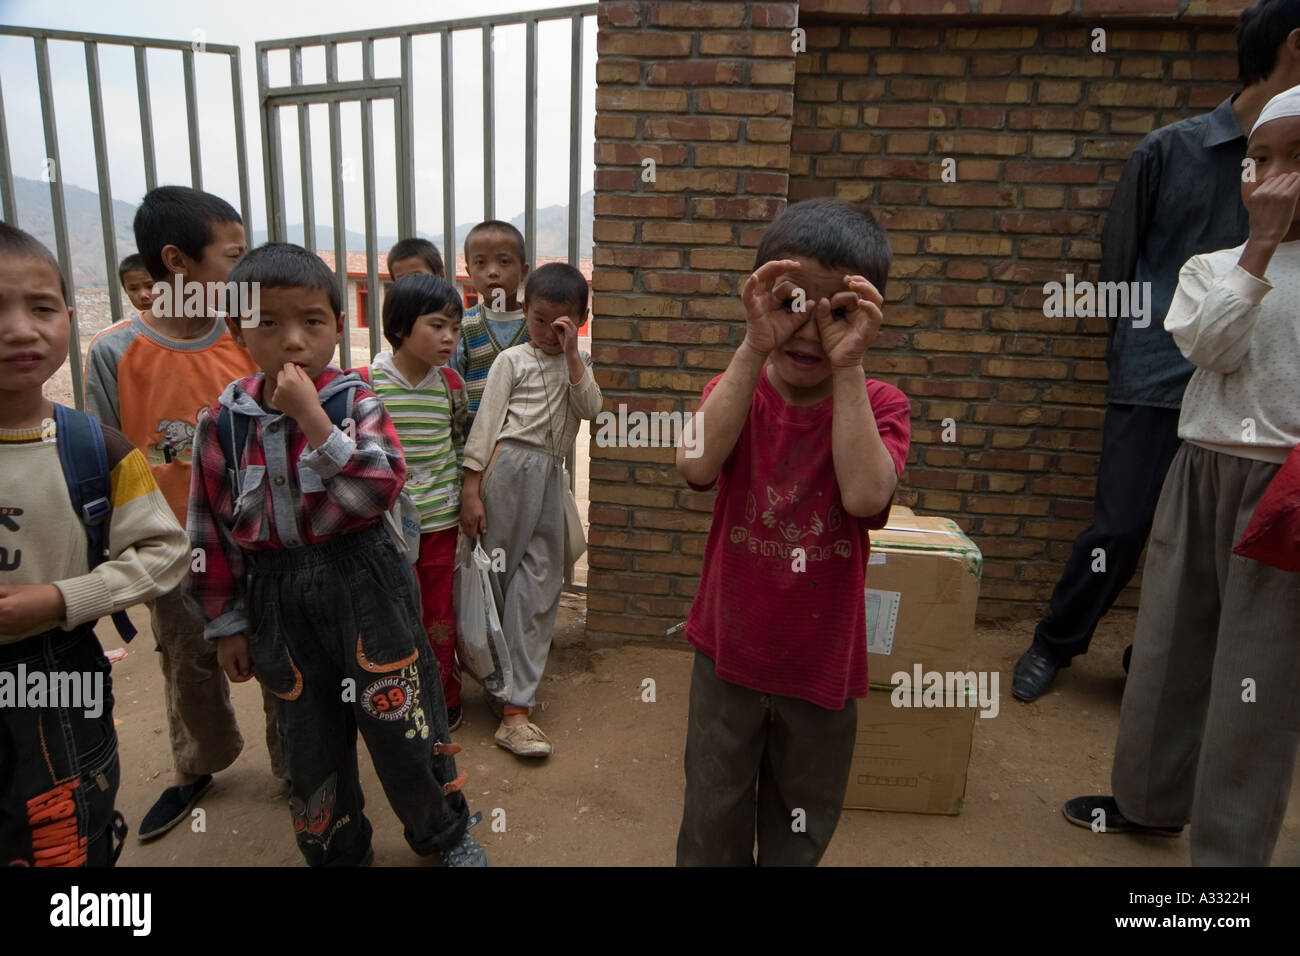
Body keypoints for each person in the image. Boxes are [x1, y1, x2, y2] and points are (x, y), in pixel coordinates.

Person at [1012, 0, 1300, 702]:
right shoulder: (1169, 152)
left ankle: (1163, 666)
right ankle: (1055, 642)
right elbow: (1119, 272)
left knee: (1230, 547)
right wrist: (1131, 363)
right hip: (1159, 379)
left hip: (1262, 398)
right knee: (1123, 524)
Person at [186, 242, 485, 866]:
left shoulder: (356, 402)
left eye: (312, 321)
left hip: (366, 583)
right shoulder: (222, 421)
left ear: (337, 325)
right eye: (268, 323)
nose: (292, 340)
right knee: (309, 738)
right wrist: (228, 622)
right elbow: (210, 530)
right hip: (278, 597)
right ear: (238, 329)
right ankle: (337, 849)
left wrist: (314, 421)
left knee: (403, 723)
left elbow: (377, 490)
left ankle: (443, 834)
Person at [1063, 86, 1300, 866]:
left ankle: (1228, 857)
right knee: (1168, 648)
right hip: (1198, 469)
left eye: (1295, 160)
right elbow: (1209, 349)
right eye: (1261, 159)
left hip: (1285, 490)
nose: (1270, 177)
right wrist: (1259, 250)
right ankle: (1147, 800)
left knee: (1255, 678)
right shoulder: (1211, 267)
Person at [673, 198, 911, 866]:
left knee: (799, 825)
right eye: (791, 302)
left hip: (820, 667)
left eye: (837, 311)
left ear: (867, 317)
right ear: (760, 298)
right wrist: (754, 345)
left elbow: (866, 494)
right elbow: (694, 463)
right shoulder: (738, 388)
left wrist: (850, 367)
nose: (809, 330)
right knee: (712, 816)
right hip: (728, 655)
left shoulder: (880, 404)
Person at [84, 186, 284, 842]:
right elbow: (104, 458)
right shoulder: (115, 354)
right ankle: (197, 764)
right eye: (233, 255)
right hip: (172, 546)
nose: (245, 267)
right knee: (189, 660)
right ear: (178, 262)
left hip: (259, 535)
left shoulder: (246, 340)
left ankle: (298, 762)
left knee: (283, 648)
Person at [0, 223, 189, 866]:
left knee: (69, 828)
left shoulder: (98, 449)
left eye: (42, 308)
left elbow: (163, 552)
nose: (21, 329)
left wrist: (61, 598)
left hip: (59, 671)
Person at [459, 262, 601, 758]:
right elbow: (486, 425)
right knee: (492, 581)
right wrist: (471, 490)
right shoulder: (512, 362)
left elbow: (592, 409)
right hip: (505, 474)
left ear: (581, 319)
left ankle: (515, 708)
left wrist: (572, 355)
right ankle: (495, 683)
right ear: (525, 311)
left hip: (549, 479)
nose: (547, 332)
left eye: (561, 323)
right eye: (540, 321)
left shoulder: (576, 363)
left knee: (540, 586)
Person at [370, 273, 467, 730]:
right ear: (401, 327)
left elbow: (460, 443)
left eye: (455, 326)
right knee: (391, 617)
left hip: (442, 523)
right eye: (437, 325)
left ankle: (444, 698)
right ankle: (398, 699)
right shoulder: (368, 385)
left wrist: (469, 498)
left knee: (439, 615)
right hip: (386, 530)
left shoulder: (451, 385)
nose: (449, 337)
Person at [449, 221, 531, 427]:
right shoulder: (462, 325)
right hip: (473, 442)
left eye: (504, 262)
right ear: (469, 272)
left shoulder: (537, 326)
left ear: (523, 271)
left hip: (526, 440)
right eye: (481, 263)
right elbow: (451, 388)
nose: (493, 271)